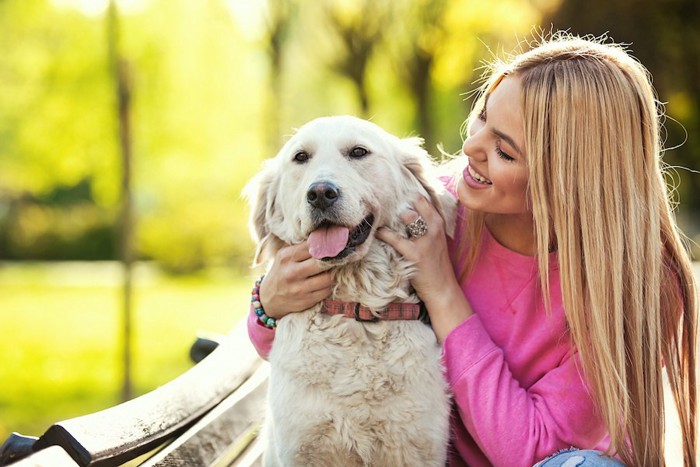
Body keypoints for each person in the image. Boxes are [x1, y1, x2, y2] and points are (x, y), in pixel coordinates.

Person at [246, 32, 698, 466]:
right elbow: (303, 336)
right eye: (482, 117)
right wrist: (268, 303)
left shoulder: (643, 286)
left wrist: (441, 290)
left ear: (566, 181)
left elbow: (537, 453)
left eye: (503, 151)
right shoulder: (431, 209)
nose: (469, 148)